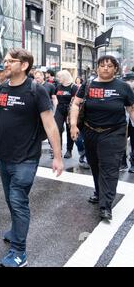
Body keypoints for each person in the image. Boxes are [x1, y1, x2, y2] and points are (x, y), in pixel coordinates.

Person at [0, 48, 63, 267]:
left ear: (23, 65)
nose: (5, 64)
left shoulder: (36, 90)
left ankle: (19, 252)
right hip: (4, 157)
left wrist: (57, 156)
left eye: (10, 61)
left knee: (18, 202)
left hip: (25, 159)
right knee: (10, 199)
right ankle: (15, 231)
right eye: (4, 61)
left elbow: (50, 124)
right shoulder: (4, 87)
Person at [70, 55, 134, 221]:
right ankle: (99, 193)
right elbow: (76, 104)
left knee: (109, 167)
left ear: (115, 69)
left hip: (114, 132)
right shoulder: (88, 84)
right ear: (97, 67)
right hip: (90, 131)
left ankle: (106, 205)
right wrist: (73, 125)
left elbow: (131, 109)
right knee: (95, 165)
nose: (106, 68)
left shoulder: (123, 87)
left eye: (110, 65)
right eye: (103, 65)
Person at [54, 70, 78, 159]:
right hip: (59, 109)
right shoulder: (58, 86)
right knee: (57, 129)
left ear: (64, 77)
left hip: (69, 109)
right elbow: (55, 98)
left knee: (69, 130)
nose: (58, 79)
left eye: (59, 77)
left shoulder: (73, 87)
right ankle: (58, 150)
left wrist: (70, 114)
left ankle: (69, 150)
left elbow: (74, 101)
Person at [121, 72, 134, 172]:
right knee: (121, 142)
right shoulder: (123, 90)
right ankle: (123, 163)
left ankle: (133, 163)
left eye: (129, 81)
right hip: (124, 120)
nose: (127, 83)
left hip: (132, 121)